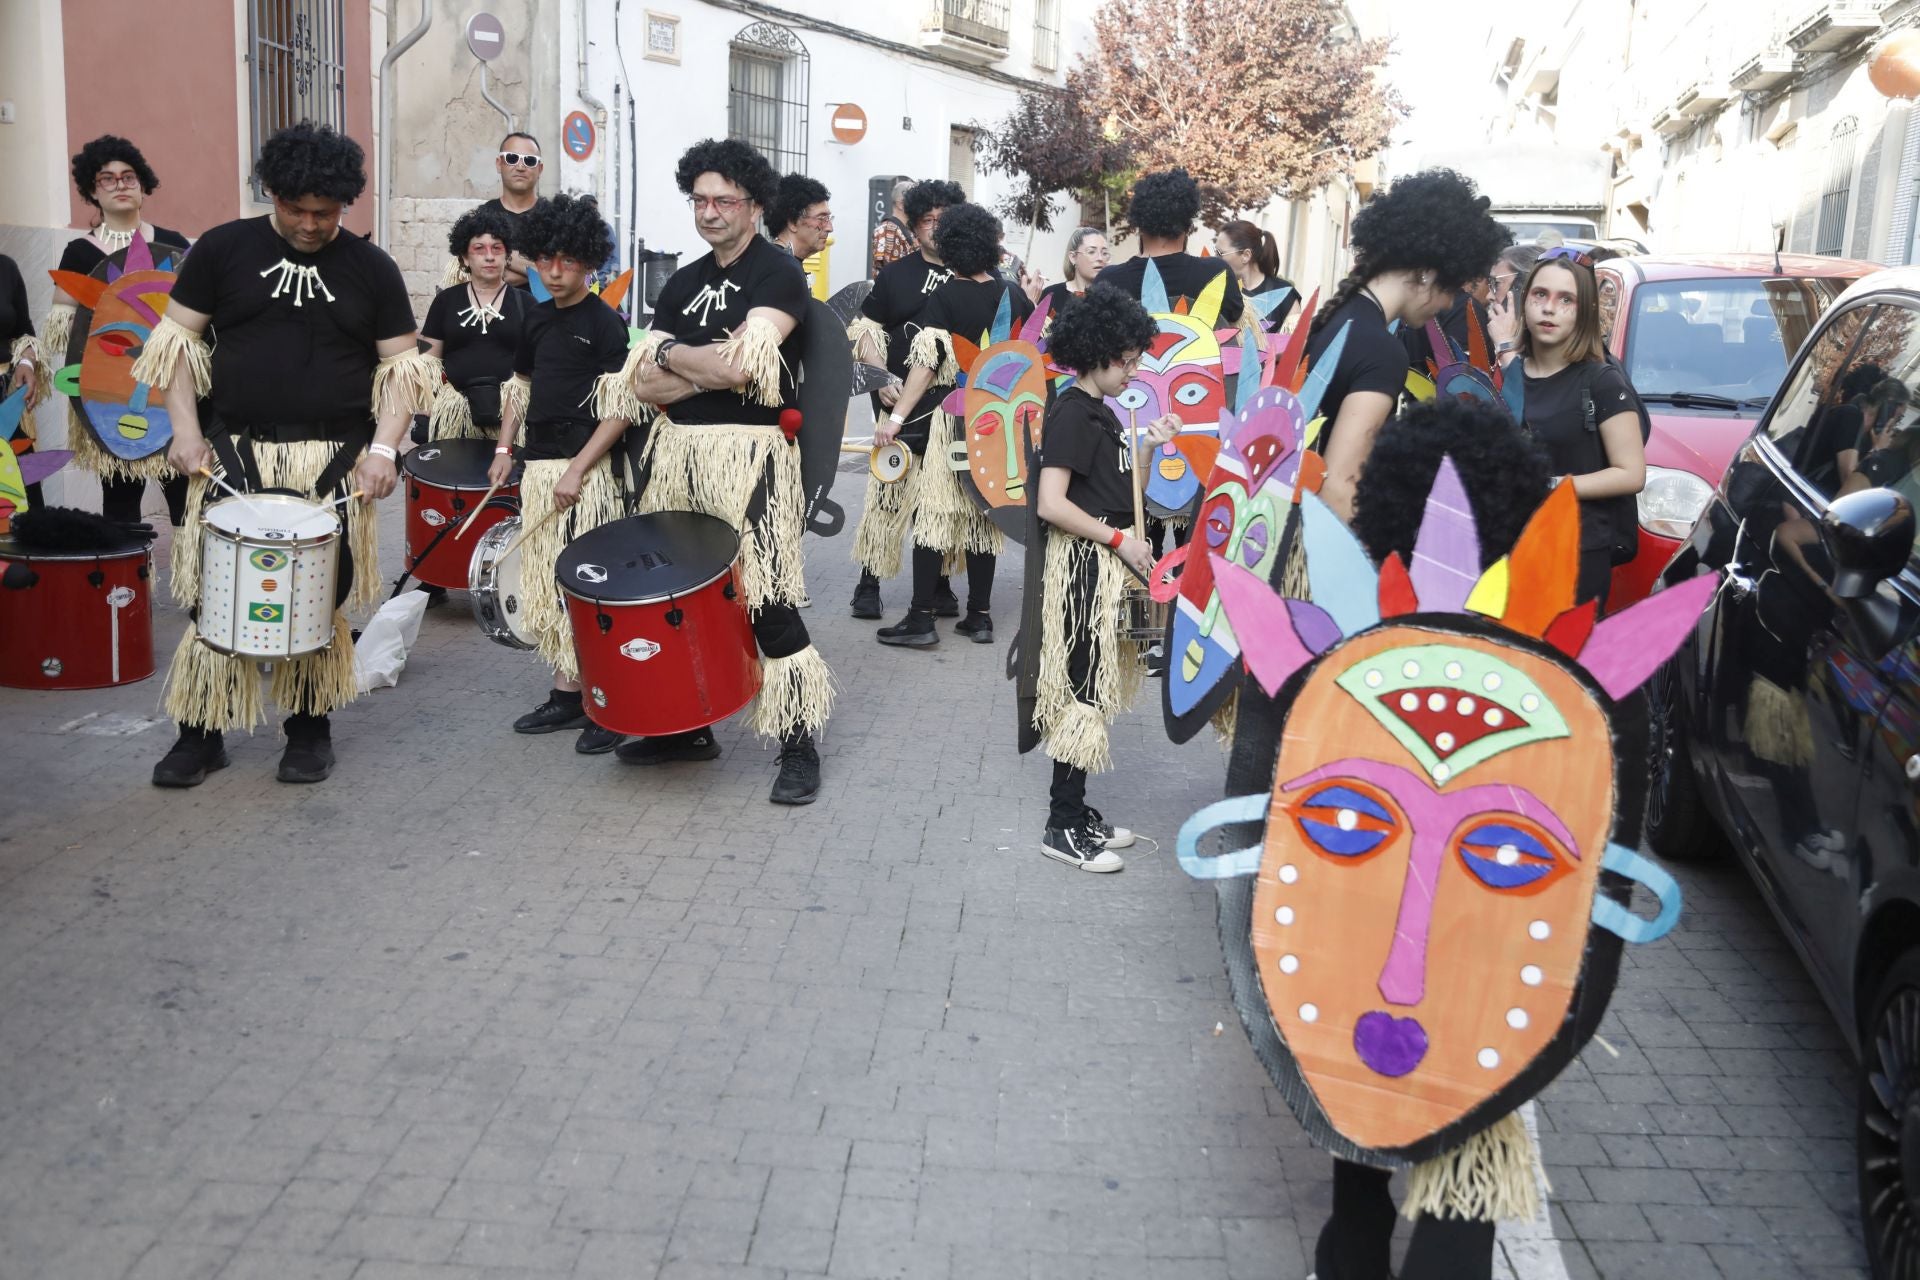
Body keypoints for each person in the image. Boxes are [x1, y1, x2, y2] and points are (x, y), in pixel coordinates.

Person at [133, 122, 436, 787]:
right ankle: (200, 732)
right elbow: (176, 349)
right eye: (295, 209)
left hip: (331, 462)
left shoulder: (372, 268)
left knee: (314, 597)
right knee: (214, 596)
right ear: (270, 191)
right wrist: (184, 433)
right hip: (232, 454)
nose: (308, 224)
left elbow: (403, 373)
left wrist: (385, 448)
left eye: (324, 214)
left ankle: (308, 729)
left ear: (343, 206)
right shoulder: (221, 249)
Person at [613, 138, 830, 805]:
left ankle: (799, 741)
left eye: (723, 200)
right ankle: (688, 728)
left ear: (754, 205)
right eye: (700, 200)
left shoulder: (777, 273)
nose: (709, 213)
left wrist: (674, 353)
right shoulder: (683, 281)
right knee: (686, 596)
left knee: (767, 599)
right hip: (680, 459)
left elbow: (742, 369)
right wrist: (698, 362)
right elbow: (645, 388)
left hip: (753, 460)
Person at [1028, 284, 1178, 871]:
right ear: (1093, 352)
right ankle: (1061, 823)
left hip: (1107, 564)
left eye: (1136, 357)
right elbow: (1050, 502)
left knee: (1095, 686)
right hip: (1085, 567)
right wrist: (1119, 540)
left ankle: (1077, 808)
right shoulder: (1070, 410)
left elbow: (1127, 495)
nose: (1133, 369)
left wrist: (1147, 449)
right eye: (1126, 358)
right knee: (1083, 689)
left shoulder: (1105, 413)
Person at [489, 194, 637, 756]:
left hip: (587, 477)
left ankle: (609, 700)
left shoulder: (606, 324)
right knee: (548, 585)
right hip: (539, 469)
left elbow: (621, 408)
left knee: (592, 589)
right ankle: (567, 693)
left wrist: (579, 469)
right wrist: (506, 446)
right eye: (546, 259)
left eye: (567, 261)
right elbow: (520, 387)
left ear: (589, 264)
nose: (554, 271)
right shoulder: (536, 317)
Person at [1306, 168, 1511, 522]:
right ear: (1426, 272)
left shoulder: (1338, 321)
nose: (1449, 304)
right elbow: (1340, 485)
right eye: (1450, 288)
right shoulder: (1381, 351)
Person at [873, 202, 1032, 648]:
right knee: (983, 517)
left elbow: (924, 368)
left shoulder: (944, 298)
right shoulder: (1015, 296)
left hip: (951, 422)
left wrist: (897, 418)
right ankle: (979, 617)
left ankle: (921, 618)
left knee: (936, 515)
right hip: (997, 424)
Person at [1489, 247, 1647, 610]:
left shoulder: (1602, 380)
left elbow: (1631, 473)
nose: (1549, 308)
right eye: (1540, 295)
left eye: (1566, 299)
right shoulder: (1512, 374)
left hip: (1577, 551)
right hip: (1512, 544)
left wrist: (1552, 486)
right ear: (1525, 301)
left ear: (1584, 311)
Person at [49, 135, 192, 527]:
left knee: (186, 498)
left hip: (172, 392)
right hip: (109, 396)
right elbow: (65, 331)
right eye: (107, 179)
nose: (120, 185)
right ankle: (124, 586)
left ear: (143, 186)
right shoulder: (79, 253)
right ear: (92, 192)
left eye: (128, 177)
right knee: (120, 501)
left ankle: (195, 586)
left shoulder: (174, 245)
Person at [844, 178, 965, 621]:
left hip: (951, 407)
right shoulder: (896, 274)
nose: (934, 228)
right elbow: (865, 329)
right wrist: (878, 378)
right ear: (913, 226)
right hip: (897, 403)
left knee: (945, 498)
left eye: (942, 219)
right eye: (926, 221)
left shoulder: (969, 272)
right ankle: (868, 583)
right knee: (889, 494)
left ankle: (940, 584)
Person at [422, 204, 528, 442]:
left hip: (512, 417)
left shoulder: (527, 304)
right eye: (479, 249)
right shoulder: (445, 302)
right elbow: (429, 360)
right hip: (455, 414)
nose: (489, 256)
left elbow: (538, 366)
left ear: (507, 255)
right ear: (464, 258)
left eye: (497, 249)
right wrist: (429, 403)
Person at [1097, 168, 1244, 326]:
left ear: (1138, 225)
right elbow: (1234, 318)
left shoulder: (1108, 281)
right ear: (1188, 226)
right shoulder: (1216, 274)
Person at [480, 131, 548, 291]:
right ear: (499, 163)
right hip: (496, 312)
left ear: (540, 169)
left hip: (546, 313)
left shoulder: (553, 217)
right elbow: (480, 273)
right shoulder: (483, 216)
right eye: (512, 158)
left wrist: (502, 256)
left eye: (530, 161)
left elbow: (558, 273)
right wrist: (536, 267)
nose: (520, 166)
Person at [1215, 219, 1298, 331]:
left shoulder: (1285, 295)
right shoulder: (1216, 290)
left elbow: (1296, 342)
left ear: (1246, 255)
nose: (1214, 258)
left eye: (1220, 253)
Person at [1038, 226, 1109, 315]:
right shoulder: (1051, 295)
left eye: (1105, 253)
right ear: (1073, 257)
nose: (1100, 258)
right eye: (1091, 252)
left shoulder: (1113, 299)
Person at [767, 172, 832, 264]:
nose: (830, 228)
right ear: (793, 222)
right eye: (821, 218)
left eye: (828, 218)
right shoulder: (781, 268)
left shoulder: (774, 261)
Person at [870, 177, 917, 277]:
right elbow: (889, 275)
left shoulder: (909, 230)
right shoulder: (887, 231)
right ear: (901, 204)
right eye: (916, 200)